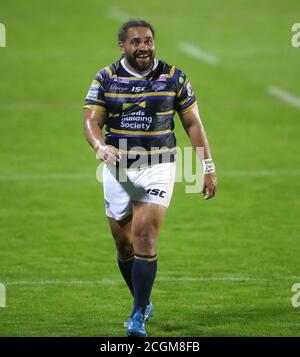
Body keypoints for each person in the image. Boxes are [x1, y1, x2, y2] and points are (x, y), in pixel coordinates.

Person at [83, 19, 217, 337]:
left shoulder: (173, 77)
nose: (144, 47)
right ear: (123, 46)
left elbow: (193, 124)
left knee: (144, 237)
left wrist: (207, 167)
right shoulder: (106, 78)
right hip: (118, 167)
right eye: (136, 42)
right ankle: (142, 298)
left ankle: (137, 315)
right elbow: (91, 119)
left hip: (160, 163)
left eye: (148, 41)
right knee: (123, 244)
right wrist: (100, 146)